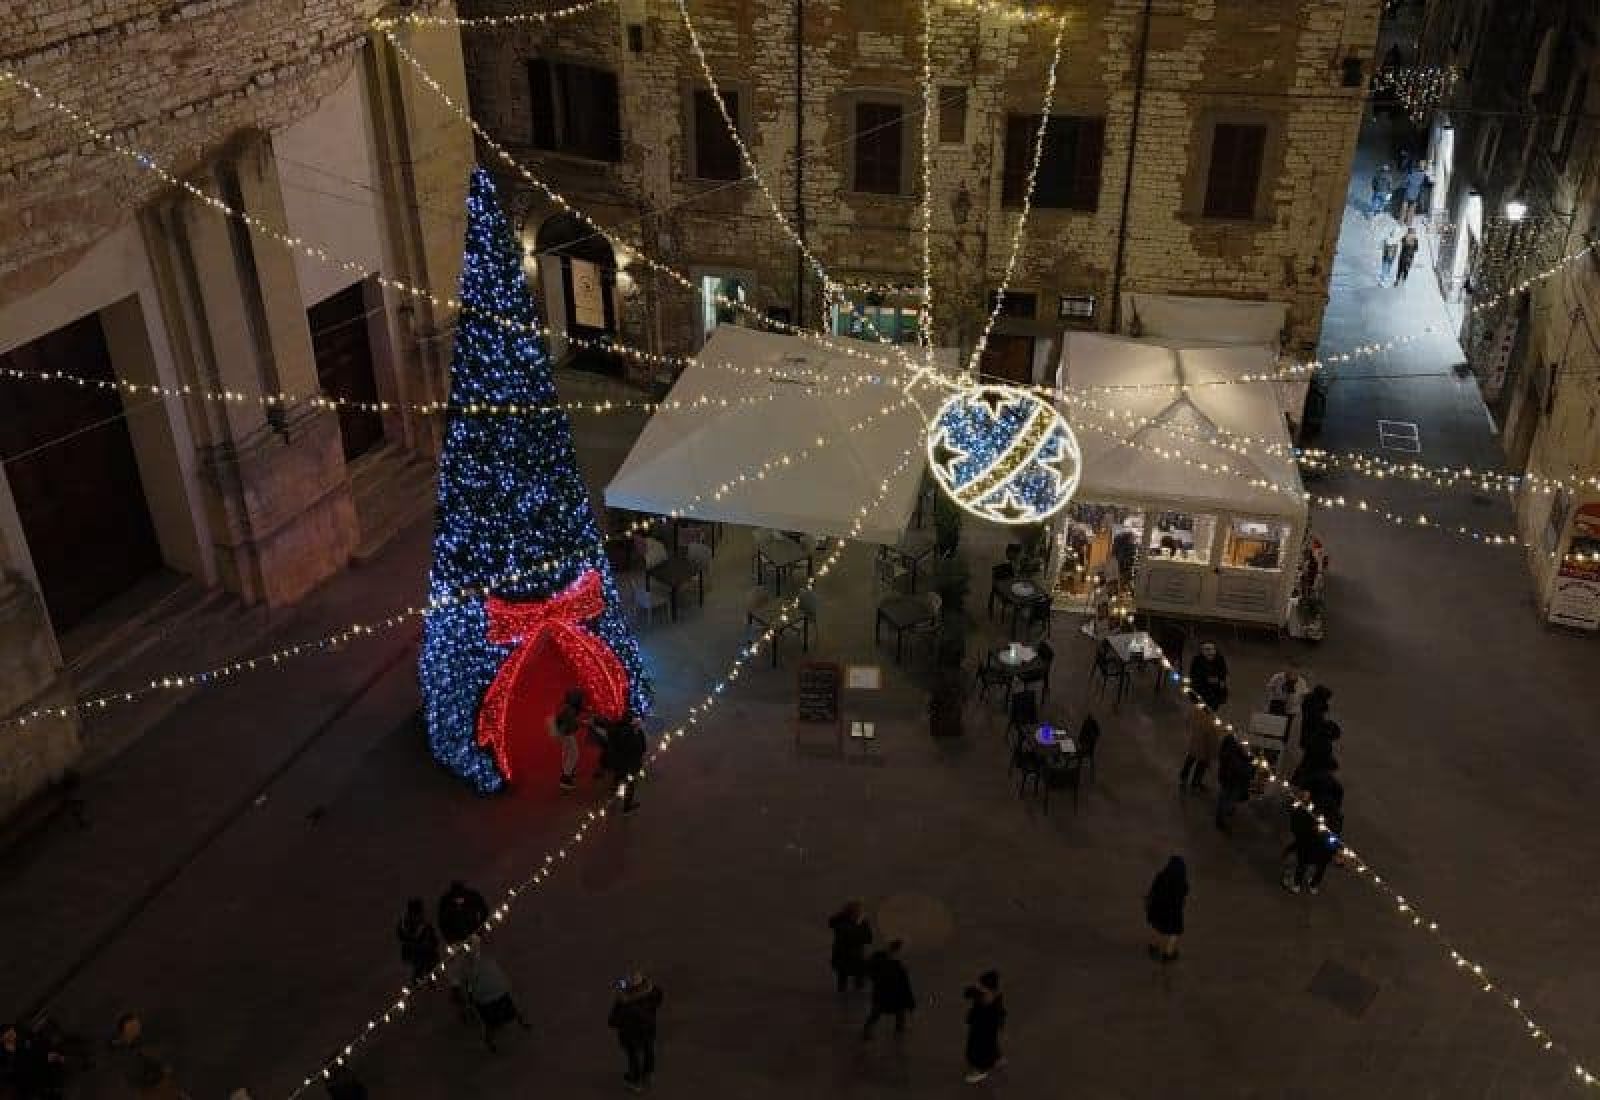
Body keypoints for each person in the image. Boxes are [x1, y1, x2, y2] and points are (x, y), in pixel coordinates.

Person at [1179, 642, 1229, 790]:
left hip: (1213, 711)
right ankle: (1184, 777)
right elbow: (1194, 690)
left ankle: (1196, 780)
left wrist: (1219, 687)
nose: (1209, 651)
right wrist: (1212, 684)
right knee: (1197, 748)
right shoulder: (1198, 667)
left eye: (1212, 648)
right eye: (1205, 649)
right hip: (1200, 711)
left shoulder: (1220, 665)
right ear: (1201, 653)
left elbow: (1223, 690)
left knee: (1209, 749)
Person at [464, 942, 531, 1051]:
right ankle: (490, 1039)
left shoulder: (484, 964)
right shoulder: (477, 966)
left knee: (501, 1016)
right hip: (489, 997)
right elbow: (470, 985)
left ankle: (491, 1039)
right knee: (492, 1021)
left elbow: (471, 985)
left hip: (493, 994)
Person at [608, 973, 664, 1093]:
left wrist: (621, 1002)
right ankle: (647, 1075)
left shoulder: (625, 1006)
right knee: (649, 1052)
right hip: (648, 1032)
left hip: (631, 1037)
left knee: (634, 1059)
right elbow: (657, 993)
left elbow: (612, 1021)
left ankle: (636, 1082)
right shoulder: (653, 996)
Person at [861, 940, 915, 1039]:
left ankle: (867, 1031)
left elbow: (870, 971)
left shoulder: (881, 959)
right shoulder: (892, 962)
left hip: (885, 991)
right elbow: (904, 981)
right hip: (891, 991)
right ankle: (898, 1034)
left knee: (879, 1012)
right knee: (894, 1012)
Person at [961, 971, 1007, 1084]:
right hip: (982, 1028)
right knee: (991, 1044)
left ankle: (980, 1071)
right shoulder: (982, 994)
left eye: (981, 985)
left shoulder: (992, 1004)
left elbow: (998, 1015)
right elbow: (967, 993)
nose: (978, 985)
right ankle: (997, 1059)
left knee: (978, 1049)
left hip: (983, 1030)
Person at [1145, 856, 1188, 962]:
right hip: (1173, 913)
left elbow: (1153, 890)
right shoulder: (1182, 883)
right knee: (1174, 933)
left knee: (1157, 928)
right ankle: (1168, 954)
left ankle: (1153, 947)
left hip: (1158, 909)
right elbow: (1183, 897)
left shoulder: (1161, 876)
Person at [827, 901, 874, 994]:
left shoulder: (860, 923)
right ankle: (849, 992)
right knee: (845, 978)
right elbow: (852, 937)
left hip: (852, 957)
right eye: (856, 911)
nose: (858, 913)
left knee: (853, 978)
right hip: (846, 956)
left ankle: (854, 991)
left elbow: (868, 938)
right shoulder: (842, 923)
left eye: (858, 911)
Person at [607, 710, 648, 815]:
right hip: (630, 764)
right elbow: (641, 748)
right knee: (630, 784)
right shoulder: (633, 733)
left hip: (618, 762)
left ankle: (613, 795)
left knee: (618, 777)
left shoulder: (616, 729)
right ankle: (627, 807)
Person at [1214, 731, 1254, 832]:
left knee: (1226, 796)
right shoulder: (1233, 755)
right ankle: (1221, 818)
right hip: (1232, 780)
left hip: (1229, 779)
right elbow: (1238, 767)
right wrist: (1249, 764)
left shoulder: (1229, 750)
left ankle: (1224, 814)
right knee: (1227, 797)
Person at [551, 689, 587, 792]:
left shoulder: (566, 707)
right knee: (574, 755)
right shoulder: (569, 709)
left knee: (567, 754)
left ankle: (567, 773)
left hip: (564, 734)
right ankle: (565, 778)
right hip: (567, 734)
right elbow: (572, 723)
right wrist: (582, 723)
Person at [397, 897, 441, 982]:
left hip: (416, 953)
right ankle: (422, 980)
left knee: (421, 967)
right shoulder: (420, 924)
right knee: (420, 967)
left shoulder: (405, 923)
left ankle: (422, 979)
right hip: (419, 953)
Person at [1264, 663, 1309, 741]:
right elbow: (1269, 688)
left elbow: (1304, 695)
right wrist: (1273, 697)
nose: (1292, 674)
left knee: (1286, 727)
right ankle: (1270, 742)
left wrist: (1297, 701)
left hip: (1291, 709)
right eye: (1290, 672)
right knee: (1273, 725)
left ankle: (1282, 743)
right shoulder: (1278, 677)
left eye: (1295, 673)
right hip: (1277, 705)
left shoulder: (1301, 681)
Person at [438, 880, 490, 945]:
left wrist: (480, 928)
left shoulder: (472, 897)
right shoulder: (446, 900)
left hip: (470, 933)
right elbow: (442, 920)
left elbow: (484, 910)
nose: (458, 900)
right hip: (456, 937)